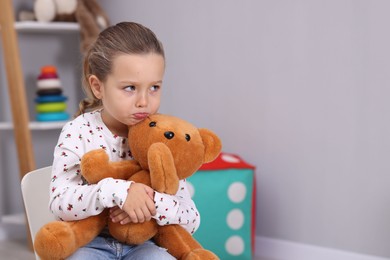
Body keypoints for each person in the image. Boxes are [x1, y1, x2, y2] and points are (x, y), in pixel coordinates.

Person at [49, 22, 200, 259]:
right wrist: (120, 191)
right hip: (89, 243)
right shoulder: (78, 131)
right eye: (130, 87)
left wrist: (147, 204)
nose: (144, 101)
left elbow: (191, 219)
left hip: (145, 244)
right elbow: (60, 203)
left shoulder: (161, 136)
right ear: (98, 87)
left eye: (154, 87)